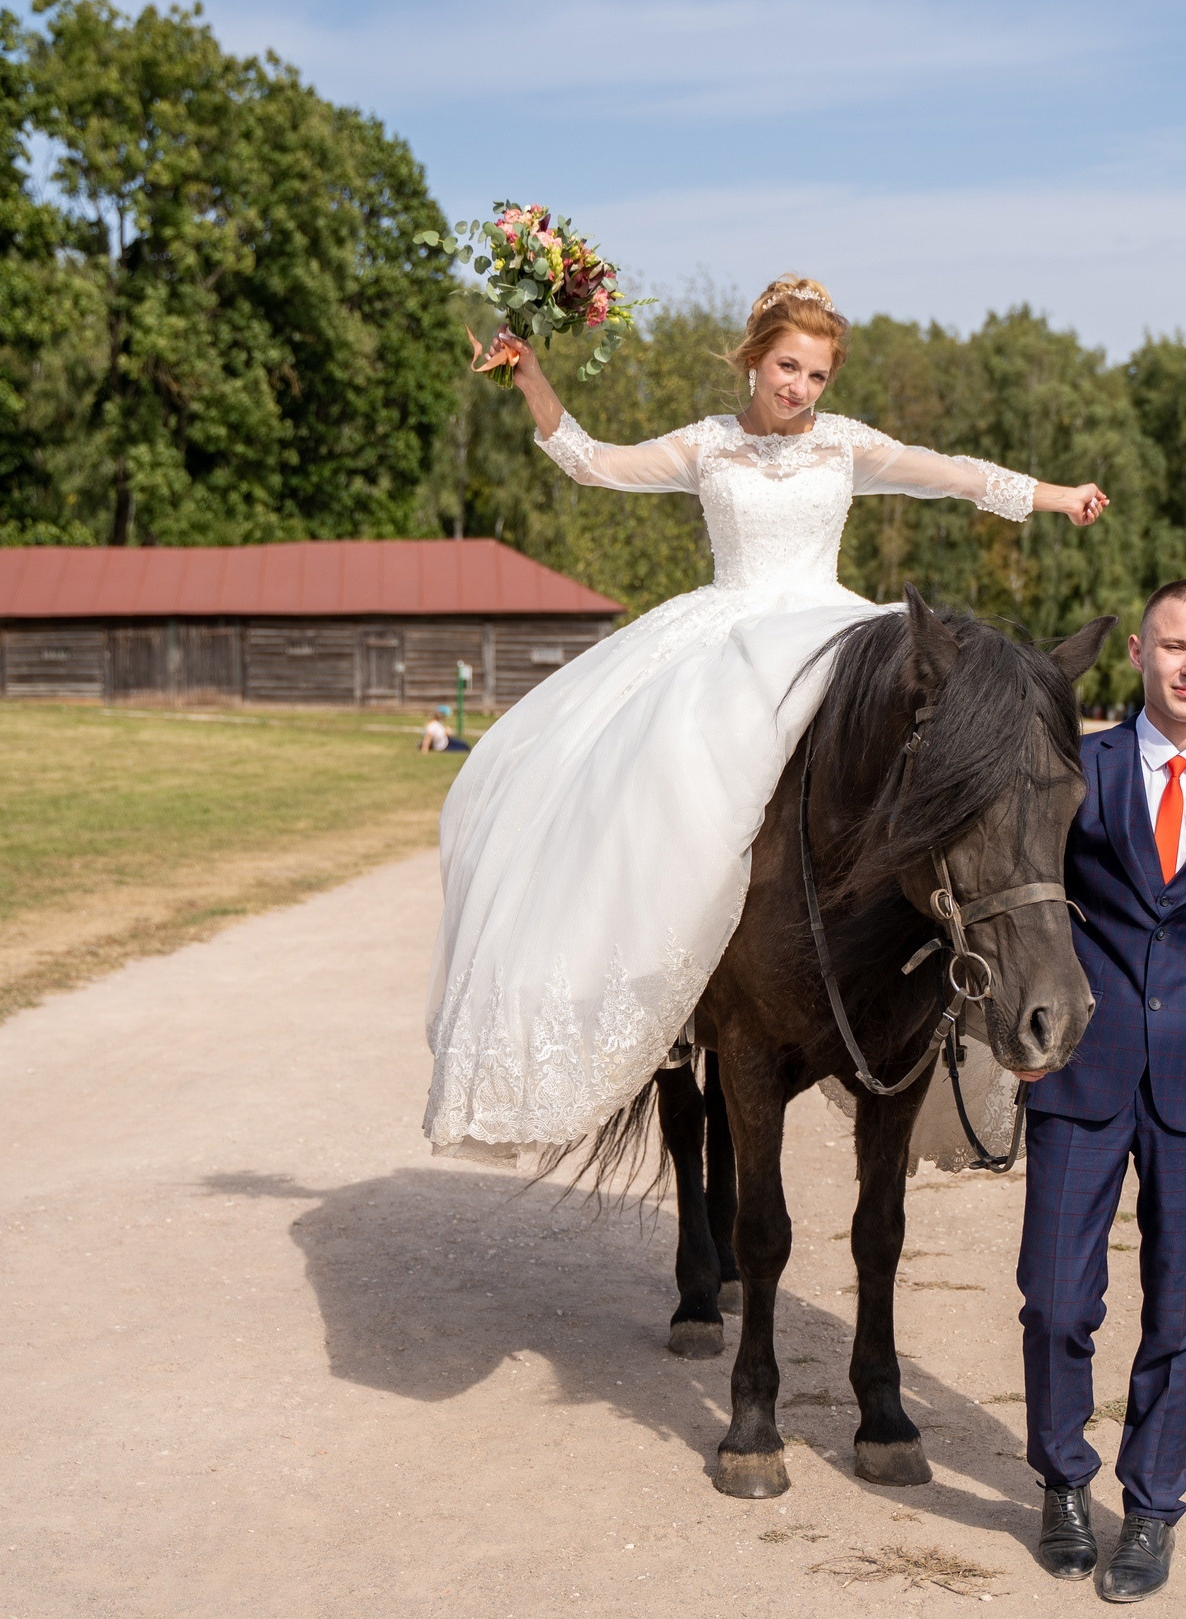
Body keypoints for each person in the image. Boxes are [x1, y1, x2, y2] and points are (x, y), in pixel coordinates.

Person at [423, 276, 1109, 1152]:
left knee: (914, 756)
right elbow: (594, 461)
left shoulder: (845, 445)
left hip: (827, 628)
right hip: (729, 635)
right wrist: (529, 375)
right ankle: (677, 984)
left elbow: (954, 476)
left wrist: (1057, 495)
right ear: (754, 358)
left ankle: (926, 977)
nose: (801, 388)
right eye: (788, 367)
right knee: (664, 767)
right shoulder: (708, 445)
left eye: (818, 376)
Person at [1014, 577, 1186, 1603]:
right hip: (1078, 1069)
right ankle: (1062, 1482)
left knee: (1177, 1313)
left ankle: (1150, 1510)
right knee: (1055, 1301)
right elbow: (1026, 910)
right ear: (1139, 652)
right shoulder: (1074, 770)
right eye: (1173, 645)